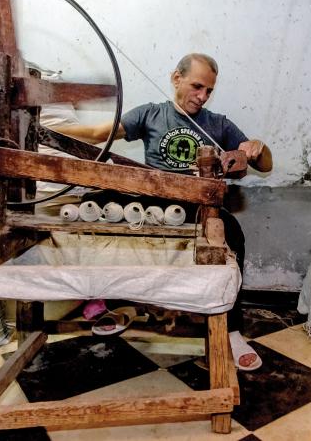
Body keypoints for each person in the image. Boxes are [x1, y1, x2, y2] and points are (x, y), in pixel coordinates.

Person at [52, 53, 272, 370]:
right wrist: (51, 129)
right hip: (153, 202)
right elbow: (101, 133)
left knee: (232, 233)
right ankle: (121, 305)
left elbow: (264, 165)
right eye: (197, 86)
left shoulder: (217, 124)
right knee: (97, 204)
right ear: (176, 78)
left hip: (196, 207)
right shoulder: (151, 114)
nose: (202, 95)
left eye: (209, 90)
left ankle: (232, 329)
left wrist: (258, 147)